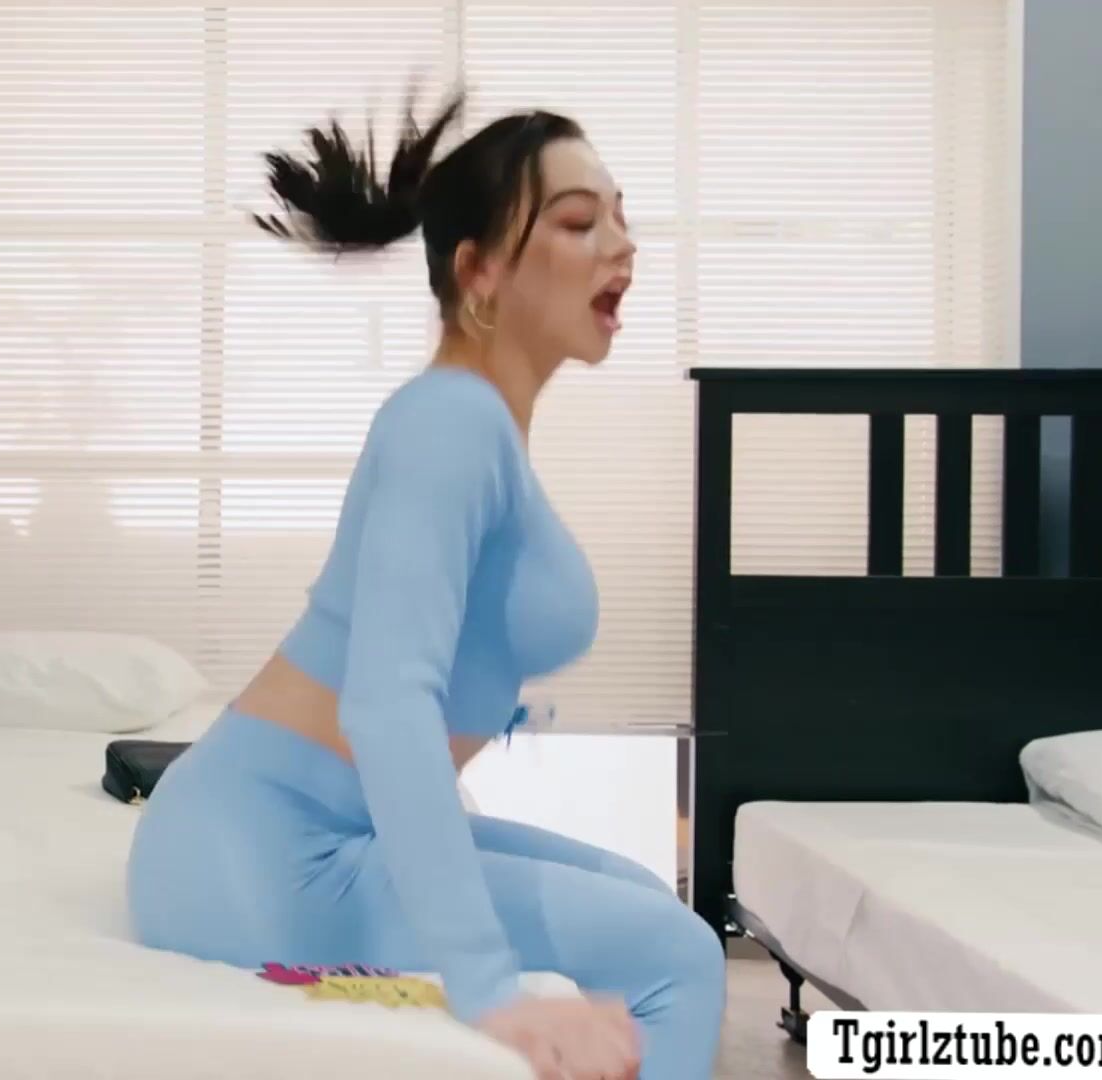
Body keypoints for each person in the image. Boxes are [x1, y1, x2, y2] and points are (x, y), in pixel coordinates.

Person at [124, 90, 725, 1080]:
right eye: (580, 221)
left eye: (621, 215)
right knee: (681, 958)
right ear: (479, 271)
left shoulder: (479, 425)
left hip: (320, 823)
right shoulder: (450, 423)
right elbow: (386, 703)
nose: (622, 244)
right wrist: (488, 986)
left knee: (645, 897)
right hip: (269, 854)